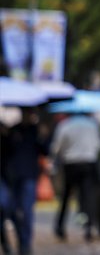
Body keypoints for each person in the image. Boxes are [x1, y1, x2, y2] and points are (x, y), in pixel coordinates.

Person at [49, 110, 100, 243]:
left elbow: (56, 147)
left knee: (66, 196)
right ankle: (88, 228)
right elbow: (99, 146)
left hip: (71, 164)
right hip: (88, 163)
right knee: (87, 196)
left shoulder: (65, 125)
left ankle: (60, 227)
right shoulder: (92, 125)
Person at [1, 108, 49, 255]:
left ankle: (25, 245)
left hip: (29, 176)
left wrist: (44, 137)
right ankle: (11, 243)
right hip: (12, 177)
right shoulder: (12, 131)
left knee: (27, 212)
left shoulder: (36, 131)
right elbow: (5, 152)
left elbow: (45, 151)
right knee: (9, 210)